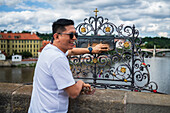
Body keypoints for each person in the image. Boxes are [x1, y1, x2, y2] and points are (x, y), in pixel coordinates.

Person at [28, 18, 109, 113]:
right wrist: (80, 82)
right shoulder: (57, 58)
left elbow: (71, 51)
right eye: (71, 35)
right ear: (57, 36)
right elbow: (73, 93)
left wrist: (90, 50)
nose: (74, 38)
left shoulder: (48, 49)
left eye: (76, 35)